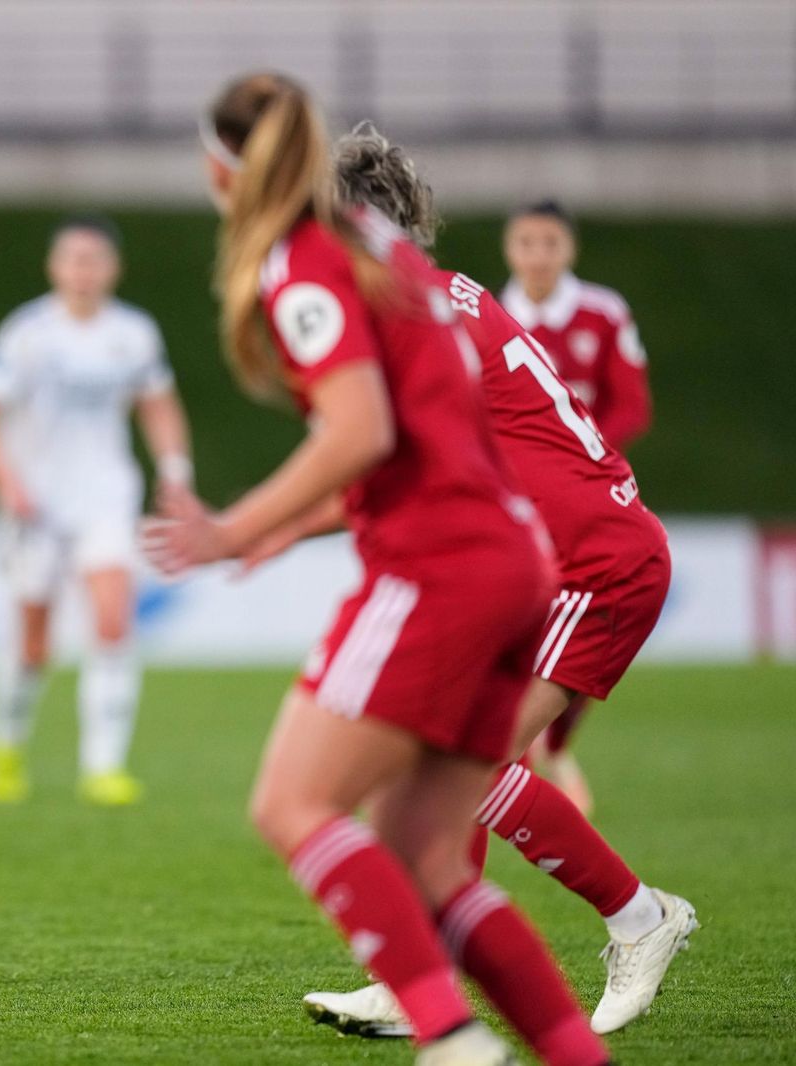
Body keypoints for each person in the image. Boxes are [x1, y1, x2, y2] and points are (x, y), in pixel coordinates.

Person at [145, 72, 610, 1066]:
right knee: (433, 859)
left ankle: (449, 1040)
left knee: (289, 803)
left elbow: (360, 429)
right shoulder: (384, 252)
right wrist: (283, 528)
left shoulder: (303, 262)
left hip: (438, 566)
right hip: (517, 562)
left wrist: (234, 526)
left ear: (219, 169)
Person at [295, 124, 697, 1042]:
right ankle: (418, 982)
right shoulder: (446, 297)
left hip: (595, 563)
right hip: (554, 559)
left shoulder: (414, 319)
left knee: (461, 768)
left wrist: (251, 529)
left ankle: (642, 918)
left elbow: (369, 463)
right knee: (449, 759)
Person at [0, 217, 192, 806]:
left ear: (112, 267)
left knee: (114, 620)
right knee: (33, 642)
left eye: (95, 259)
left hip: (105, 496)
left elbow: (158, 406)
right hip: (35, 501)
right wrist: (7, 482)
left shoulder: (134, 334)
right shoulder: (28, 333)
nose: (84, 271)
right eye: (73, 259)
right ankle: (5, 746)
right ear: (54, 267)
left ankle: (103, 767)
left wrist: (174, 473)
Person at [502, 200, 654, 808]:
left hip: (587, 502)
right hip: (514, 505)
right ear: (509, 250)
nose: (538, 254)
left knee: (588, 627)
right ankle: (517, 748)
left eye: (550, 242)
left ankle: (552, 744)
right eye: (526, 242)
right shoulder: (487, 314)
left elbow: (632, 406)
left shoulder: (603, 312)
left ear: (570, 249)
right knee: (514, 622)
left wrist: (579, 467)